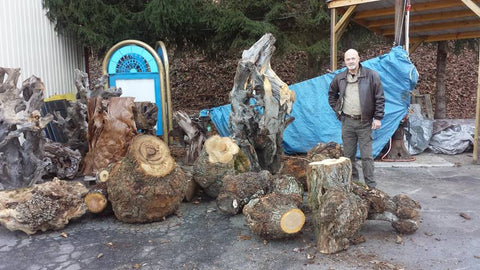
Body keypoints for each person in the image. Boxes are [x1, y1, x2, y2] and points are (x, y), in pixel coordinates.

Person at [328, 49, 385, 189]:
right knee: (348, 156)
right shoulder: (340, 78)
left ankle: (371, 187)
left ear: (359, 59)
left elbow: (380, 98)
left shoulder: (371, 76)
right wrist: (339, 110)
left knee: (367, 157)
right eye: (348, 59)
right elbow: (331, 95)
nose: (351, 62)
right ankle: (354, 184)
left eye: (353, 58)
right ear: (345, 61)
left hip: (365, 122)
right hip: (347, 122)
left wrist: (377, 118)